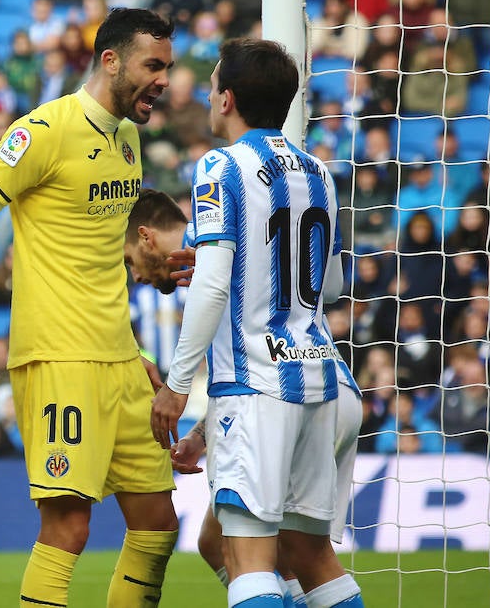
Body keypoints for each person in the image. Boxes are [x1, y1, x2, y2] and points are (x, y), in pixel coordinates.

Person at [0, 7, 178, 608]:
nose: (164, 80)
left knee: (157, 524)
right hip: (58, 359)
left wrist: (135, 346)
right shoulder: (43, 131)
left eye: (168, 68)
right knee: (68, 528)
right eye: (153, 65)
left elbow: (99, 255)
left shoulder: (128, 139)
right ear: (110, 61)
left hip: (118, 358)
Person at [151, 38, 365, 608]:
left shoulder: (220, 166)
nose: (208, 95)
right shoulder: (319, 172)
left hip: (256, 384)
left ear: (226, 99)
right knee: (312, 557)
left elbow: (212, 286)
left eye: (212, 85)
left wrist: (177, 385)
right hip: (318, 374)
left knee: (246, 556)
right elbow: (331, 286)